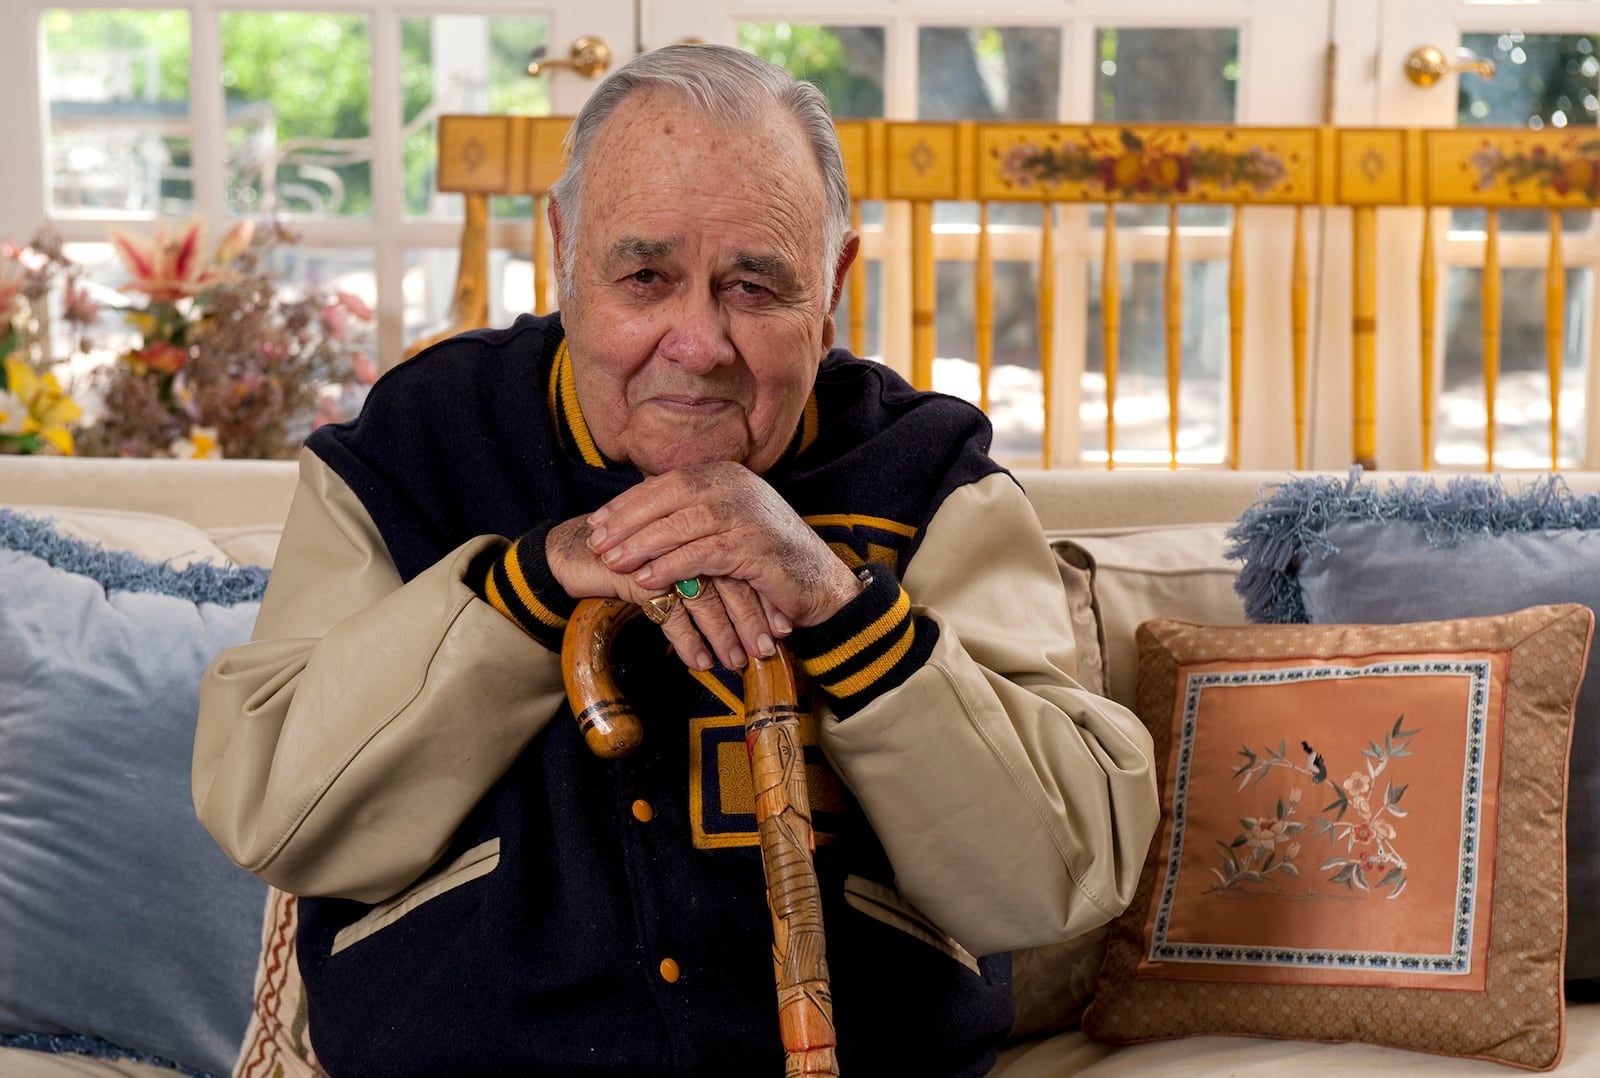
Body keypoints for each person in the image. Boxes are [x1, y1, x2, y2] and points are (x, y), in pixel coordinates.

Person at [192, 43, 1158, 1078]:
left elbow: (1055, 870)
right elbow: (271, 807)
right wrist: (531, 583)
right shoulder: (419, 443)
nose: (697, 341)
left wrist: (839, 606)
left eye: (754, 286)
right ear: (562, 250)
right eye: (645, 276)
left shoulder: (927, 476)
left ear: (830, 286)